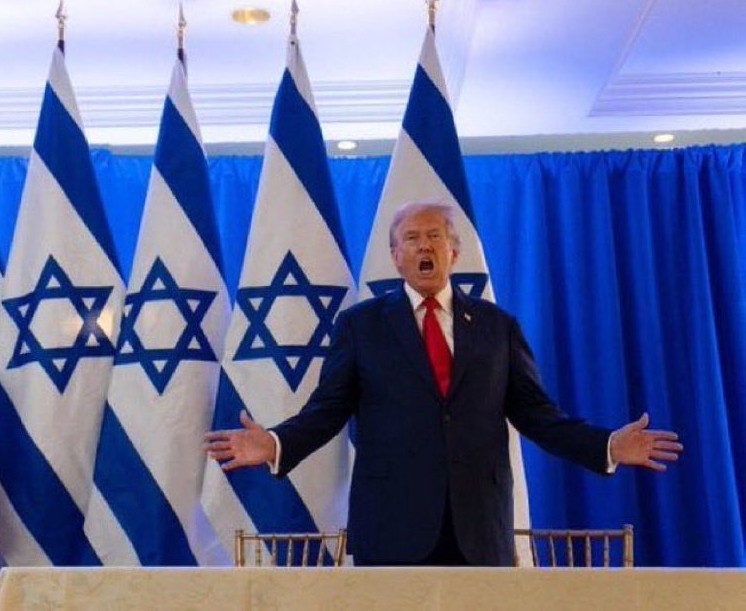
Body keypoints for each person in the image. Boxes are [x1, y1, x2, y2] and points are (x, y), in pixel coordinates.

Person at [205, 201, 683, 566]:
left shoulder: (497, 327)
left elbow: (538, 416)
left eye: (434, 236)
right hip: (391, 528)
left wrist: (606, 446)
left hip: (478, 528)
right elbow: (327, 411)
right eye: (411, 238)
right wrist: (275, 443)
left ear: (454, 251)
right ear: (395, 257)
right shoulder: (361, 326)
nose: (424, 246)